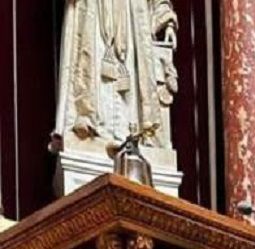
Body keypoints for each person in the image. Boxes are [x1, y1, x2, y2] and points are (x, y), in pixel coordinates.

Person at [53, 0, 178, 148]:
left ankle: (130, 136)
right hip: (93, 10)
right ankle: (91, 130)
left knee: (132, 78)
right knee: (90, 66)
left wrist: (167, 21)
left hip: (132, 15)